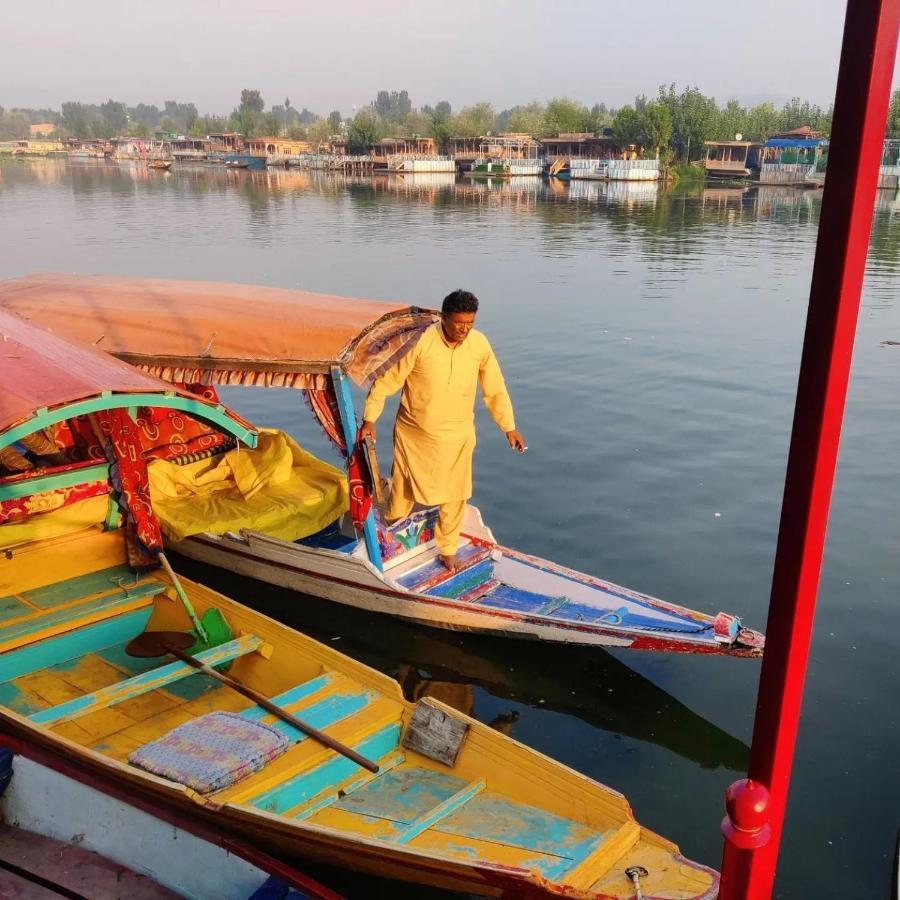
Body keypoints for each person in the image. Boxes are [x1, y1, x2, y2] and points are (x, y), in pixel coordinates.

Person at [359, 289, 526, 572]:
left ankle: (447, 548)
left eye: (470, 323)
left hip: (459, 435)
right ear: (444, 318)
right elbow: (387, 381)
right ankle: (387, 531)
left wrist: (509, 427)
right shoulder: (420, 341)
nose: (464, 329)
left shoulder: (479, 344)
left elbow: (494, 389)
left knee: (457, 492)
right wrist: (370, 419)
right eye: (459, 323)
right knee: (403, 492)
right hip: (415, 435)